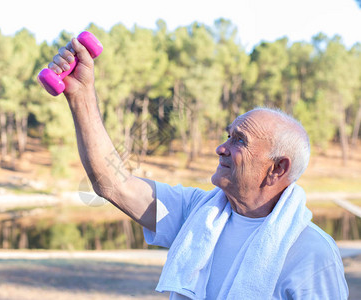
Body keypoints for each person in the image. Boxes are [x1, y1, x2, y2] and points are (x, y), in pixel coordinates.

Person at [48, 36, 349, 299]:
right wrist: (81, 95)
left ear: (277, 168)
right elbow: (113, 184)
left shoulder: (313, 253)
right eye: (227, 135)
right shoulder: (198, 213)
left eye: (239, 141)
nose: (221, 148)